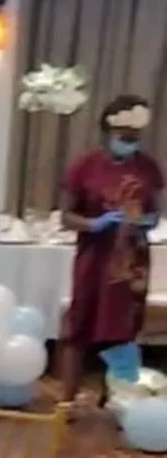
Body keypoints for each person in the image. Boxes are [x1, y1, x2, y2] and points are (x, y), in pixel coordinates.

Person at [60, 94, 164, 409]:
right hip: (95, 258)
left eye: (135, 138)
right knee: (80, 327)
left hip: (132, 261)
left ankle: (118, 397)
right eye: (124, 138)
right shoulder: (85, 166)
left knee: (123, 329)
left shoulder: (149, 168)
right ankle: (66, 401)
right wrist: (95, 223)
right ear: (108, 132)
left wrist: (147, 222)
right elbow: (66, 216)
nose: (130, 143)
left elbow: (155, 212)